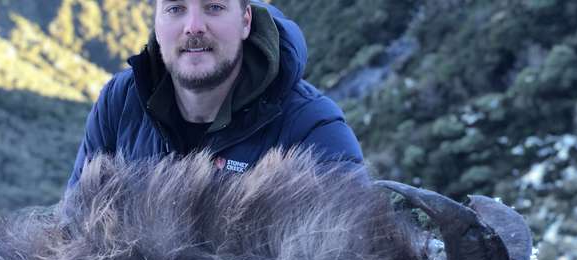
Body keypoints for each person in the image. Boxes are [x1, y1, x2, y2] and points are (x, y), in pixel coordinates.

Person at [67, 0, 364, 188]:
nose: (194, 27)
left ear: (245, 21)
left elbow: (349, 252)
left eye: (214, 7)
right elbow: (75, 229)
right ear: (156, 24)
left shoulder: (311, 126)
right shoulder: (119, 103)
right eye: (175, 8)